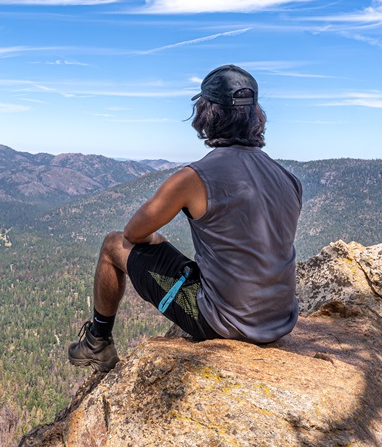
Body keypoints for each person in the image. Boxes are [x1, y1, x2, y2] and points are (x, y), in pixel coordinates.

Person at [67, 64, 301, 372]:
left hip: (223, 322)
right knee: (159, 242)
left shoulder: (194, 178)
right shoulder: (287, 177)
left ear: (206, 115)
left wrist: (151, 239)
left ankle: (98, 342)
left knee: (113, 245)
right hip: (280, 318)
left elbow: (132, 234)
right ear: (255, 115)